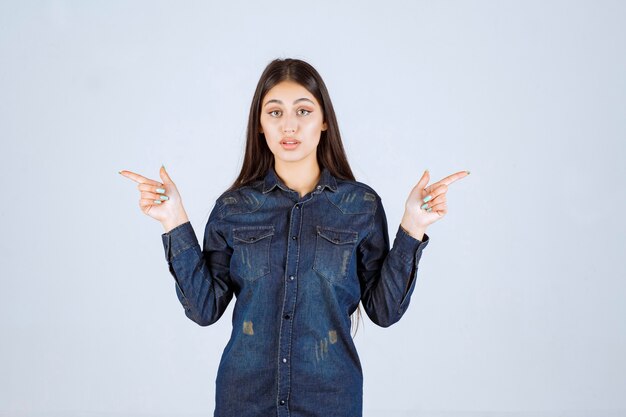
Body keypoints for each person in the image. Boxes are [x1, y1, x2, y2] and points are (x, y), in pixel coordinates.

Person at [120, 57, 469, 417]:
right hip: (245, 401)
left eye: (303, 111)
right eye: (275, 113)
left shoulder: (360, 206)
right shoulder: (234, 208)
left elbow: (383, 311)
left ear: (324, 122)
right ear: (260, 124)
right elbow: (205, 309)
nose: (289, 125)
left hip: (330, 400)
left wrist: (413, 226)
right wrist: (173, 219)